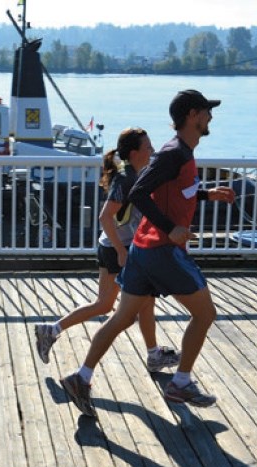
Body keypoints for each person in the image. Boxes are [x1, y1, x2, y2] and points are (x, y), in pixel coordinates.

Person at [60, 90, 235, 417]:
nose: (211, 117)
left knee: (123, 317)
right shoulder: (173, 153)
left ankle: (80, 377)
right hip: (161, 251)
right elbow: (140, 192)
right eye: (207, 112)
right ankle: (181, 381)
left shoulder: (181, 154)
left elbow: (172, 191)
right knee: (205, 313)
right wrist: (170, 228)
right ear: (193, 115)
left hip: (142, 250)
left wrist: (208, 195)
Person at [33, 128, 181, 372]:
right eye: (148, 147)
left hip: (113, 246)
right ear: (134, 153)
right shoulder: (126, 179)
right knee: (125, 306)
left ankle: (52, 330)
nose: (152, 151)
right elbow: (105, 216)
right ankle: (149, 355)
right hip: (118, 249)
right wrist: (122, 252)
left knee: (127, 304)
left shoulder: (133, 173)